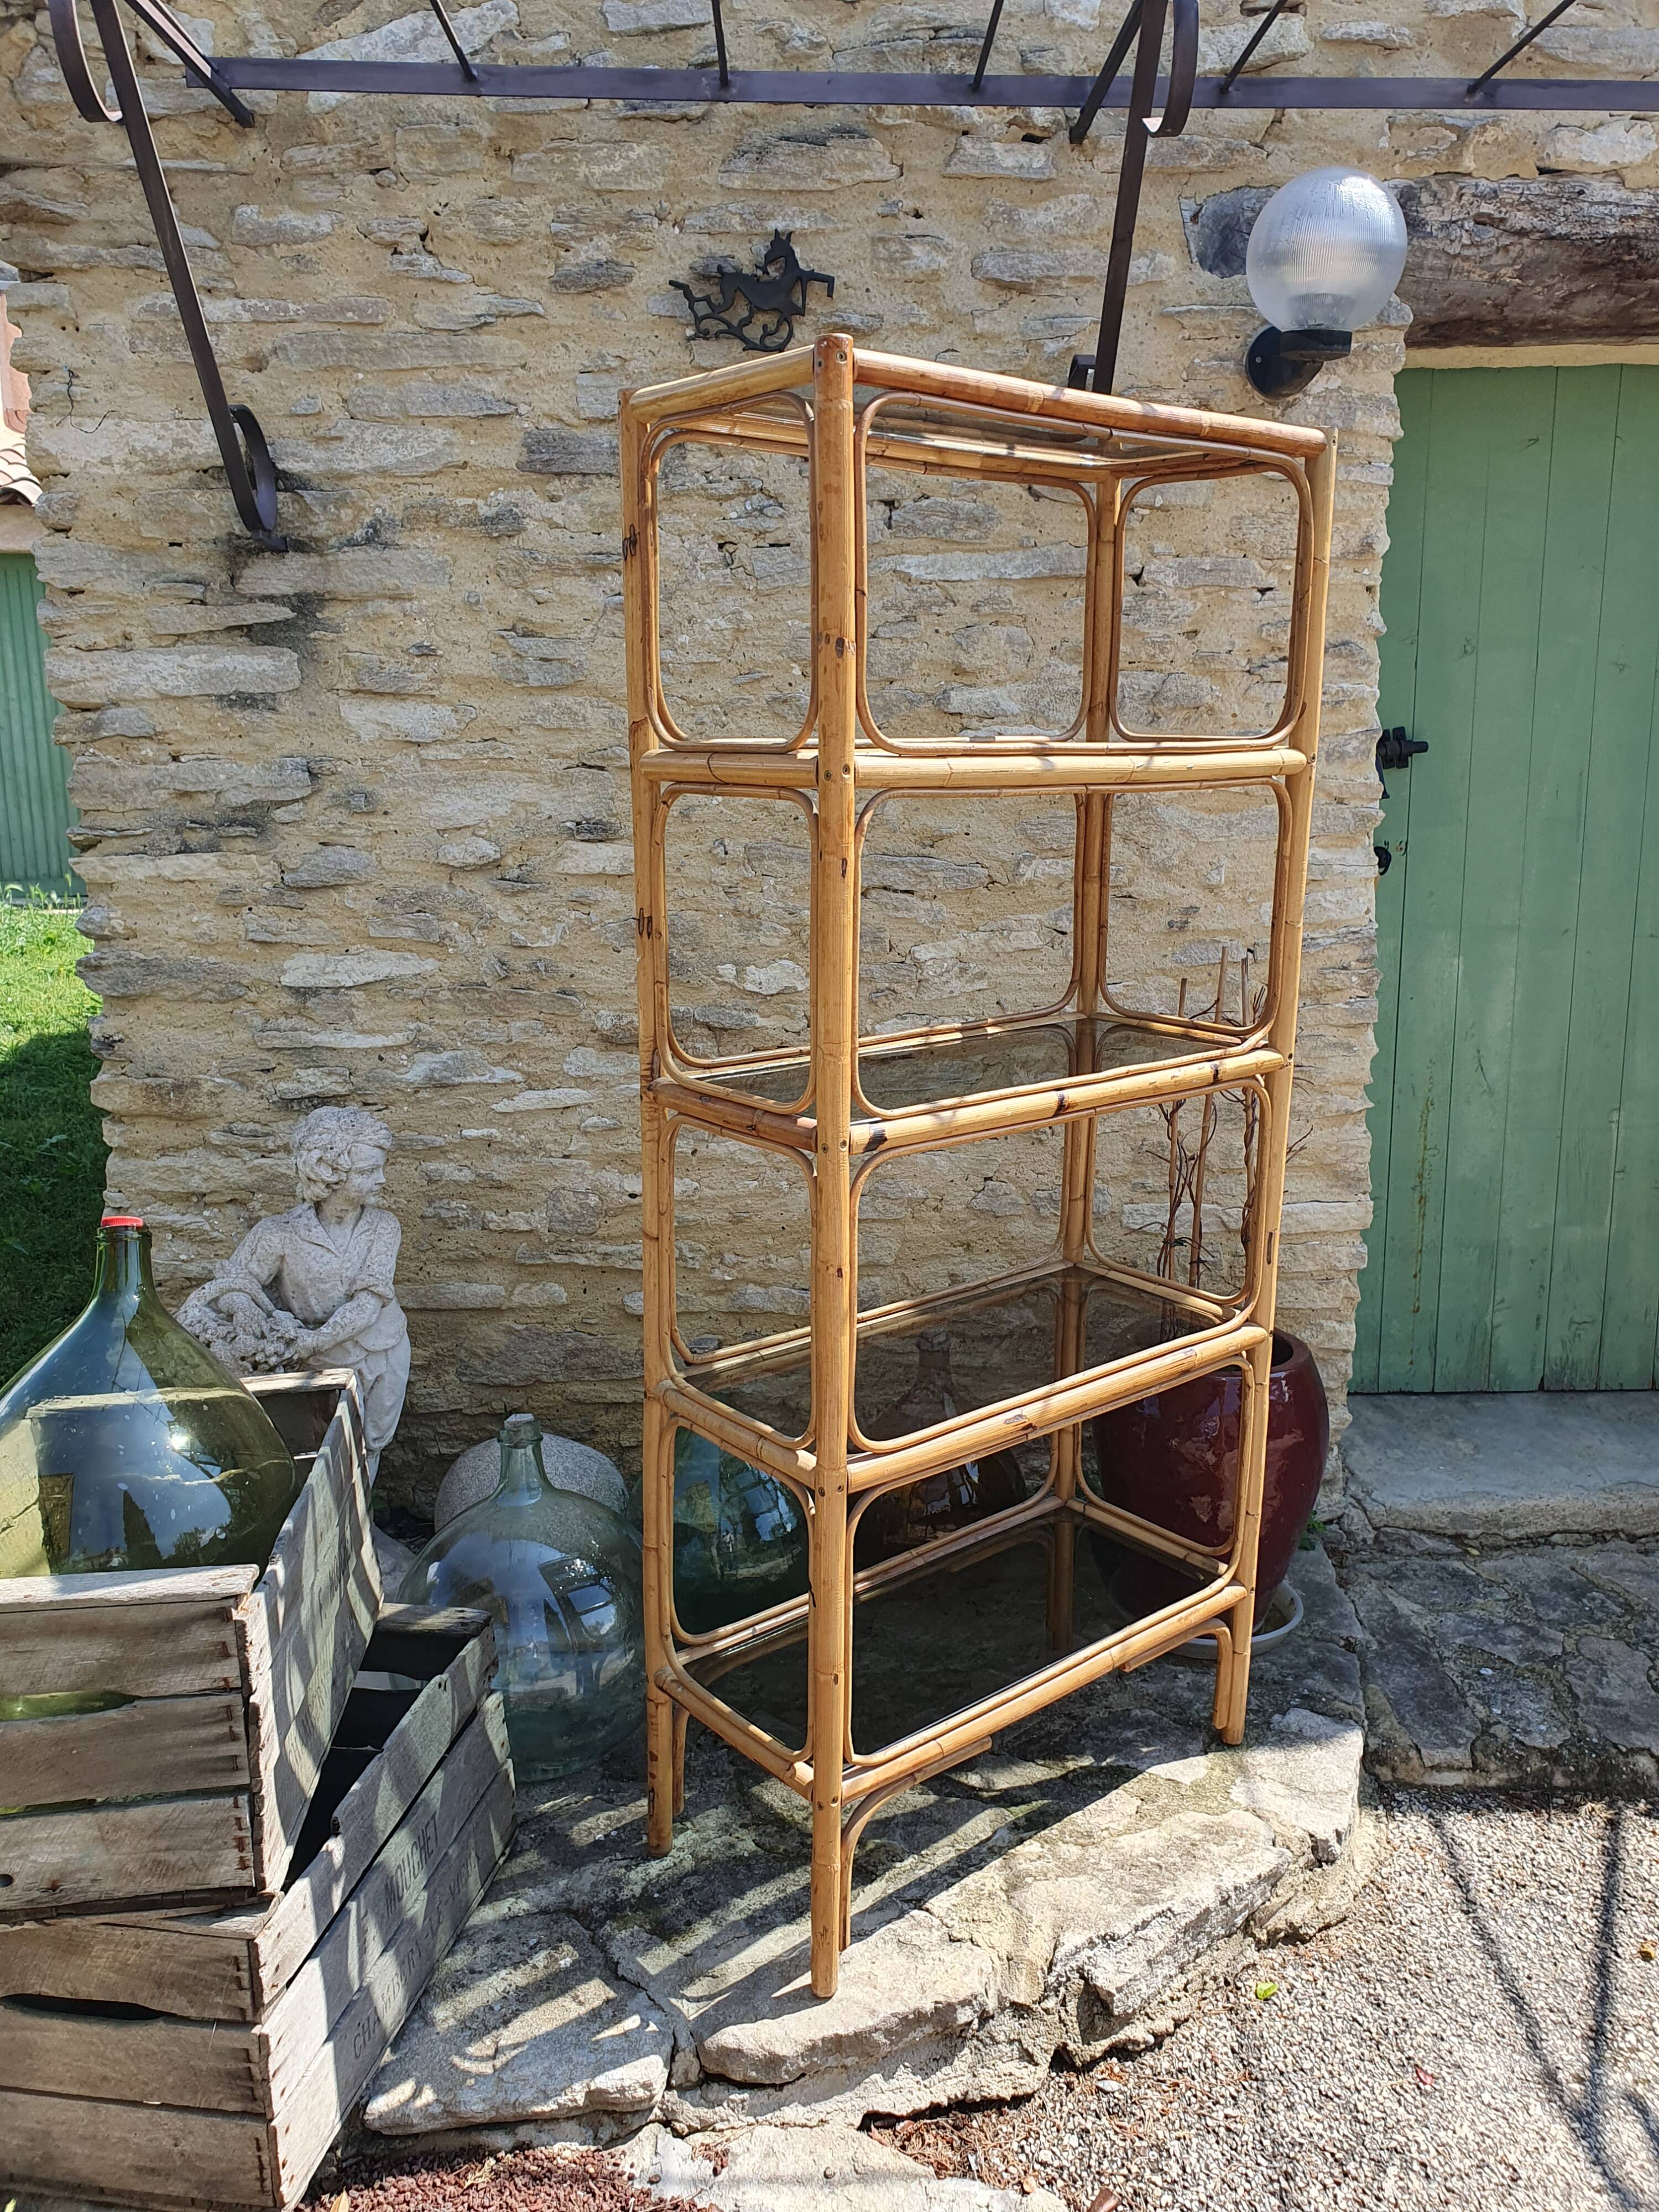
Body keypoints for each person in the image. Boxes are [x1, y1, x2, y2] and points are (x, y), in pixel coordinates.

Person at [180, 1106, 410, 1475]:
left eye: (381, 1168)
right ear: (330, 1173)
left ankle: (362, 1510)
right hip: (316, 1364)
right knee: (322, 1448)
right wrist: (245, 1308)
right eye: (368, 1171)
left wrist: (313, 1341)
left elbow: (368, 1305)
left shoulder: (383, 1227)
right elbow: (233, 1284)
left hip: (381, 1350)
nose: (382, 1180)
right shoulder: (279, 1233)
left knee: (371, 1445)